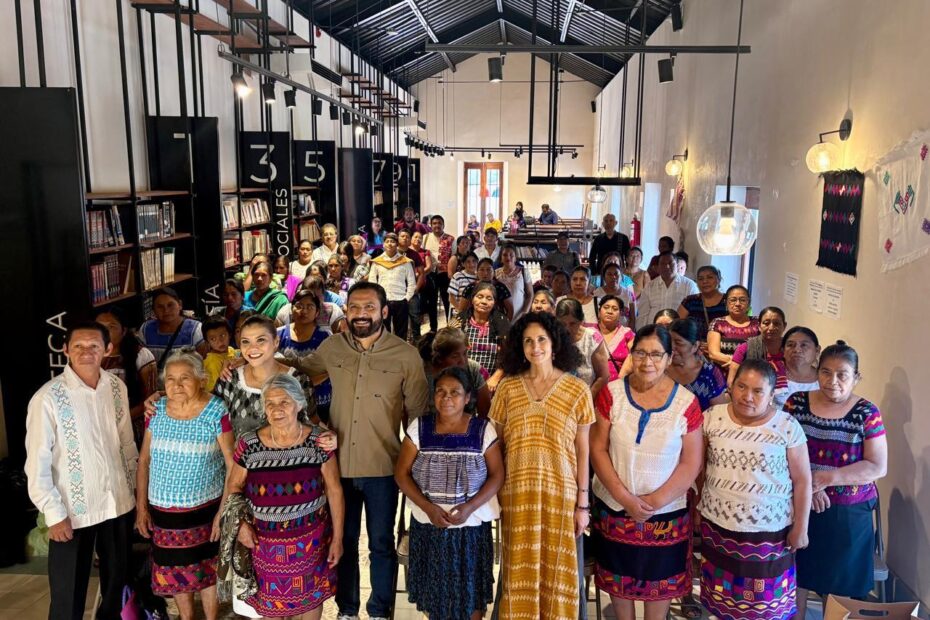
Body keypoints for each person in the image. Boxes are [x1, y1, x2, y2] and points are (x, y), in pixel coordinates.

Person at [293, 282, 430, 620]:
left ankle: (380, 610)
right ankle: (347, 609)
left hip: (384, 466)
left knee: (381, 543)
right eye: (354, 307)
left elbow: (417, 418)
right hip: (337, 468)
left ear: (384, 311)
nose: (361, 314)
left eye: (369, 307)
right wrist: (250, 361)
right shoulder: (333, 347)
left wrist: (415, 469)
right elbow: (298, 371)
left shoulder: (405, 355)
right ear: (346, 311)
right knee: (345, 540)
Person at [25, 321, 138, 620]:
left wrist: (134, 492)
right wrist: (53, 513)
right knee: (68, 595)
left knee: (116, 586)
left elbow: (127, 443)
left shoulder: (116, 388)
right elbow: (36, 462)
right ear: (65, 350)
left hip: (117, 503)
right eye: (78, 346)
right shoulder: (48, 397)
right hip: (72, 511)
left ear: (107, 349)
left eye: (93, 346)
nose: (86, 352)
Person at [590, 324, 703, 620]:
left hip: (665, 513)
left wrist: (654, 501)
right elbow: (598, 448)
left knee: (659, 584)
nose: (647, 361)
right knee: (618, 578)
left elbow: (691, 462)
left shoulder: (686, 403)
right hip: (615, 507)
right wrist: (625, 498)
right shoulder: (612, 394)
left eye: (656, 354)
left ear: (669, 358)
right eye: (640, 353)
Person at [490, 312, 595, 619]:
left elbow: (583, 450)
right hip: (516, 496)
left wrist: (583, 505)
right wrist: (494, 495)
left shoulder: (577, 390)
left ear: (555, 343)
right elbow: (496, 447)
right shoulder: (508, 388)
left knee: (559, 573)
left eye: (541, 340)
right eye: (528, 341)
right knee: (517, 572)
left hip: (561, 497)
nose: (535, 347)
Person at [699, 359, 811, 620]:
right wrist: (699, 508)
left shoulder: (786, 426)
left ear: (771, 395)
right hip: (719, 527)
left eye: (758, 391)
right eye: (741, 386)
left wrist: (801, 527)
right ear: (732, 386)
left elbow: (803, 480)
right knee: (723, 600)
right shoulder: (712, 418)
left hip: (769, 533)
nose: (747, 396)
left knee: (764, 606)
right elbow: (700, 469)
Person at [227, 373, 345, 618]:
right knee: (272, 606)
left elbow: (334, 490)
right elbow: (234, 486)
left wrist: (338, 538)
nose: (276, 409)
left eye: (284, 402)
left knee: (311, 599)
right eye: (270, 403)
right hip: (264, 545)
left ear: (299, 404)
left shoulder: (318, 442)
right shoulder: (249, 444)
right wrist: (241, 526)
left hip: (310, 542)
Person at [784, 342, 888, 620]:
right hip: (799, 506)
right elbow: (780, 451)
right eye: (826, 372)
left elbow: (877, 466)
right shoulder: (796, 404)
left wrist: (824, 479)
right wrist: (808, 487)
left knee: (839, 589)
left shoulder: (867, 412)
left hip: (848, 515)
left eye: (842, 374)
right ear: (817, 371)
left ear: (856, 377)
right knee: (796, 577)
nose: (833, 381)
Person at [395, 367, 504, 620]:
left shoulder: (482, 429)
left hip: (471, 528)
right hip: (429, 526)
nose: (446, 397)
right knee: (435, 596)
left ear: (468, 398)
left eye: (455, 392)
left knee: (470, 593)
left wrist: (469, 507)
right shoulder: (419, 428)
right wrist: (428, 508)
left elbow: (497, 475)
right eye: (441, 391)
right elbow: (401, 474)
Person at [135, 350, 234, 620]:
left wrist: (223, 512)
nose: (177, 385)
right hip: (164, 514)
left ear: (201, 379)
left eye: (185, 378)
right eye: (170, 379)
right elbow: (144, 461)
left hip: (205, 510)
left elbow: (232, 464)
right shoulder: (155, 411)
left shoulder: (216, 410)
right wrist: (141, 508)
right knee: (175, 571)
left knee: (207, 569)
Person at [215, 314, 317, 435]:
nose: (252, 348)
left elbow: (311, 423)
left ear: (276, 342)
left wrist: (328, 436)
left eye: (261, 340)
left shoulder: (299, 381)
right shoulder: (229, 380)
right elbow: (218, 427)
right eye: (245, 342)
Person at [96, 307, 158, 444]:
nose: (104, 332)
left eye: (111, 327)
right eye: (99, 326)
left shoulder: (141, 356)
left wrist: (120, 422)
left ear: (123, 331)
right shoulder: (89, 356)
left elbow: (151, 399)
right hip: (98, 429)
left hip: (133, 428)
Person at [277, 289, 333, 423]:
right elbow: (272, 365)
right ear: (291, 309)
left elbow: (330, 371)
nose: (304, 311)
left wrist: (304, 382)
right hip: (287, 400)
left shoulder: (326, 337)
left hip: (320, 400)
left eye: (310, 307)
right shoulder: (278, 334)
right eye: (299, 306)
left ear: (317, 312)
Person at [449, 282, 511, 393]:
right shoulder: (459, 321)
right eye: (480, 297)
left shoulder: (502, 322)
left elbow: (509, 354)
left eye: (489, 298)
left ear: (494, 303)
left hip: (491, 382)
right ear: (472, 299)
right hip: (461, 378)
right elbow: (447, 351)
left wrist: (496, 377)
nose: (484, 302)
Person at [418, 329, 493, 417]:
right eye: (455, 356)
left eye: (465, 353)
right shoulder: (424, 376)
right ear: (440, 358)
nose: (463, 361)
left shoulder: (473, 370)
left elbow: (485, 412)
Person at [667, 319, 729, 410]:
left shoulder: (710, 374)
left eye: (678, 343)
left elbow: (718, 412)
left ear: (695, 346)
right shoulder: (661, 369)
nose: (671, 348)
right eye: (668, 342)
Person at [556, 298, 610, 398]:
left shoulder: (592, 338)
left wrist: (586, 399)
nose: (567, 329)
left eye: (572, 323)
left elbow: (603, 376)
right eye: (562, 324)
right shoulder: (552, 338)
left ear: (581, 321)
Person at [369, 232, 417, 340]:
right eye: (387, 241)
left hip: (401, 301)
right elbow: (372, 282)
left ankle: (400, 351)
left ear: (397, 244)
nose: (390, 244)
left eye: (392, 241)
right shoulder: (377, 262)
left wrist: (406, 298)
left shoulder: (405, 262)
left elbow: (411, 283)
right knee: (383, 333)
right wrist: (377, 298)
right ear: (383, 244)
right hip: (383, 301)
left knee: (401, 334)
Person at [139, 287, 205, 364]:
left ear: (180, 305)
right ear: (153, 310)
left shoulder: (196, 329)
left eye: (170, 305)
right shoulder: (146, 329)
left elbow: (202, 363)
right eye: (160, 307)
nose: (166, 310)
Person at [727, 306, 788, 388]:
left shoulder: (792, 348)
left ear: (784, 326)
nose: (771, 327)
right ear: (759, 326)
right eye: (766, 323)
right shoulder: (745, 349)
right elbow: (731, 382)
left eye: (776, 323)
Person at [636, 252, 698, 328]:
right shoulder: (649, 286)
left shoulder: (689, 285)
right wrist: (643, 332)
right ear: (658, 267)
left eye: (671, 263)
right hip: (654, 331)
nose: (667, 266)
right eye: (663, 264)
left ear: (677, 265)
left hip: (679, 331)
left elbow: (694, 314)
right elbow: (643, 315)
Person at [707, 285, 760, 369]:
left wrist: (739, 365)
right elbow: (713, 354)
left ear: (748, 303)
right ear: (726, 303)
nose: (737, 304)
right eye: (733, 300)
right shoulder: (717, 323)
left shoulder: (758, 322)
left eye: (742, 300)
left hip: (752, 372)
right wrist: (737, 364)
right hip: (723, 373)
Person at [275, 275, 348, 334]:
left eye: (317, 297)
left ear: (324, 295)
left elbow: (342, 339)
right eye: (308, 296)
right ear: (301, 293)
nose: (313, 301)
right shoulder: (285, 313)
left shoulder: (334, 312)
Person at [677, 265, 727, 342]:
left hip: (723, 345)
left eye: (710, 277)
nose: (705, 281)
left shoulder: (728, 300)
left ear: (719, 279)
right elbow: (677, 326)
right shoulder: (690, 301)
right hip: (696, 346)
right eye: (700, 279)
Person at [778, 326, 821, 408]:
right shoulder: (771, 375)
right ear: (783, 351)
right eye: (790, 345)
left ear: (817, 350)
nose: (797, 350)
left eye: (804, 345)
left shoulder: (824, 379)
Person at [424, 214, 456, 322]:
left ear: (443, 225)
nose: (437, 225)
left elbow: (454, 256)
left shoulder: (451, 239)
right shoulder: (425, 238)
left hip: (445, 274)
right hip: (430, 273)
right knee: (431, 301)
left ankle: (449, 325)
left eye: (439, 223)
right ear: (430, 225)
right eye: (434, 223)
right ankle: (433, 327)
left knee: (447, 300)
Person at [596, 295, 634, 381]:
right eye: (606, 307)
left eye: (615, 309)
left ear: (620, 314)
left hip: (618, 384)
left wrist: (620, 380)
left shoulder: (627, 333)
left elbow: (636, 355)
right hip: (590, 384)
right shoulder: (590, 331)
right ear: (599, 311)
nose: (610, 311)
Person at [495, 243, 534, 320]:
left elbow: (530, 294)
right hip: (501, 315)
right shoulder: (495, 274)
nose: (508, 257)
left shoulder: (523, 272)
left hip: (519, 315)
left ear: (515, 258)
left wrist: (525, 312)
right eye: (505, 255)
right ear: (501, 258)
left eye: (511, 255)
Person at [202, 317, 237, 392]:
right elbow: (219, 387)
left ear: (230, 335)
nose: (220, 341)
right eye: (213, 339)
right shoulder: (213, 361)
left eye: (222, 335)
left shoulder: (230, 349)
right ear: (207, 342)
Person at [448, 251, 479, 319]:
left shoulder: (479, 277)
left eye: (474, 261)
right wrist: (460, 311)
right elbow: (451, 297)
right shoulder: (458, 276)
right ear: (463, 264)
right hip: (460, 313)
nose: (472, 264)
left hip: (475, 315)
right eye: (468, 262)